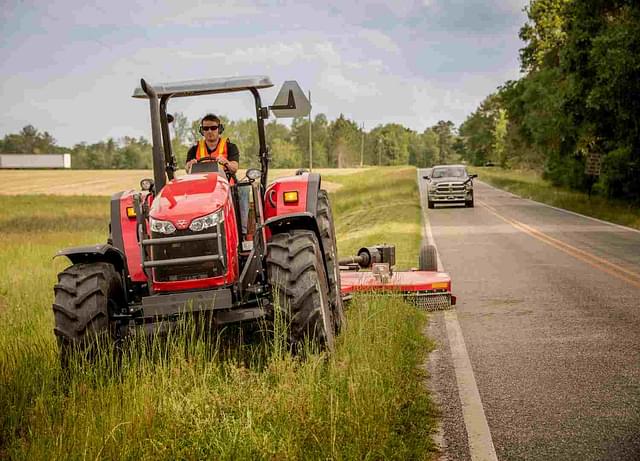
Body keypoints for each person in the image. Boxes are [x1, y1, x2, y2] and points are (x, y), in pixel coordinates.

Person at [186, 113, 249, 237]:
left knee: (244, 190)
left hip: (225, 187)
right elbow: (187, 169)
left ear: (219, 129)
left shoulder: (230, 147)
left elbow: (234, 167)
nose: (209, 131)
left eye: (213, 128)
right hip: (201, 189)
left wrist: (226, 162)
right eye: (206, 128)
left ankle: (242, 232)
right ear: (201, 131)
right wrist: (190, 165)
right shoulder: (194, 149)